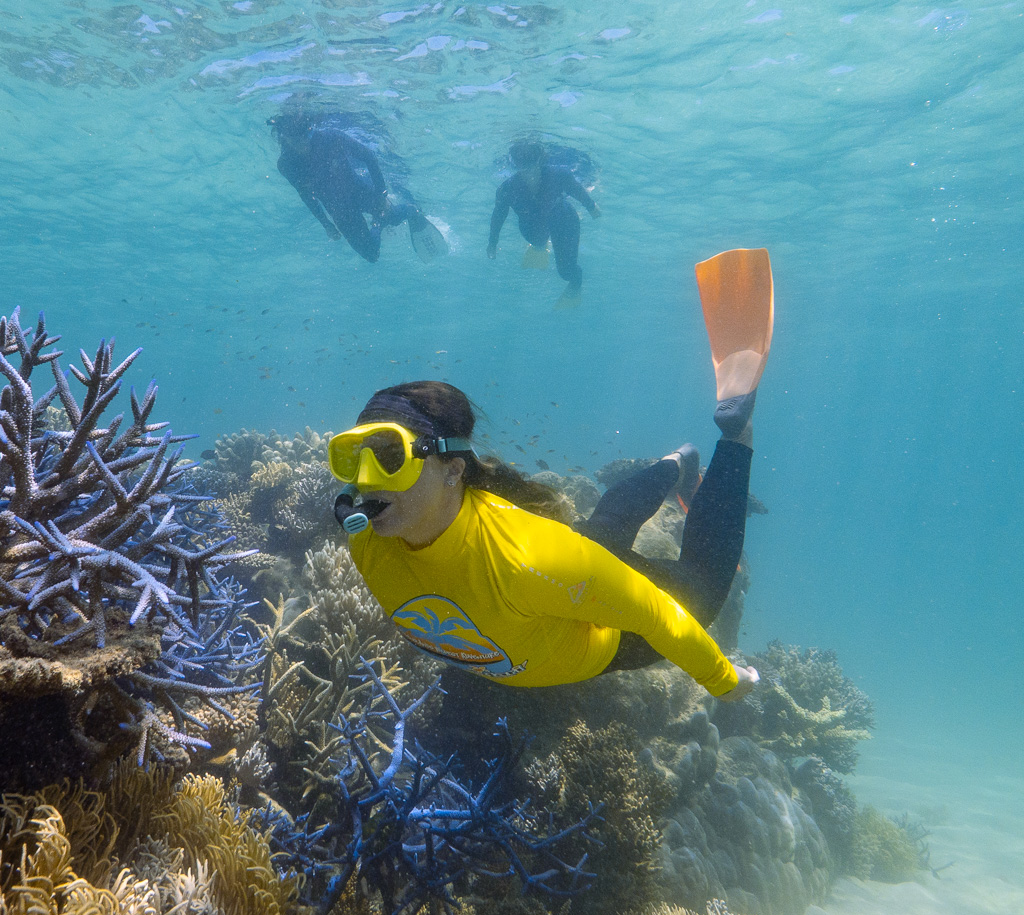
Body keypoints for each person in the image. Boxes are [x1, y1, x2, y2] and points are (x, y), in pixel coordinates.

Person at [328, 249, 774, 699]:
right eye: (352, 457)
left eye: (388, 456)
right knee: (600, 535)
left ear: (453, 470)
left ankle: (736, 436)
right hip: (563, 583)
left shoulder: (532, 561)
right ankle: (675, 463)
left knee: (705, 589)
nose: (364, 481)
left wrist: (723, 680)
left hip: (603, 636)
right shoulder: (368, 540)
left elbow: (656, 614)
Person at [272, 111, 447, 263]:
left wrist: (381, 195)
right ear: (284, 138)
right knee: (371, 255)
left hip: (359, 190)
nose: (304, 145)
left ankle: (410, 210)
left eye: (306, 136)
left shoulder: (331, 137)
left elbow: (369, 156)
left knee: (393, 218)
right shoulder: (286, 165)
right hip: (338, 208)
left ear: (310, 130)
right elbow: (306, 195)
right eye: (296, 141)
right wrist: (326, 224)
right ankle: (379, 222)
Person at [488, 139, 600, 305]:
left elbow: (577, 191)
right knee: (535, 239)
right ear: (516, 167)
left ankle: (575, 286)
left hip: (563, 218)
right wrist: (492, 243)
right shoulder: (507, 189)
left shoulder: (559, 174)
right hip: (532, 224)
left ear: (540, 161)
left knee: (566, 272)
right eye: (522, 169)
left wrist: (591, 207)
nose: (528, 174)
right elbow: (498, 216)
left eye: (531, 168)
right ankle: (540, 246)